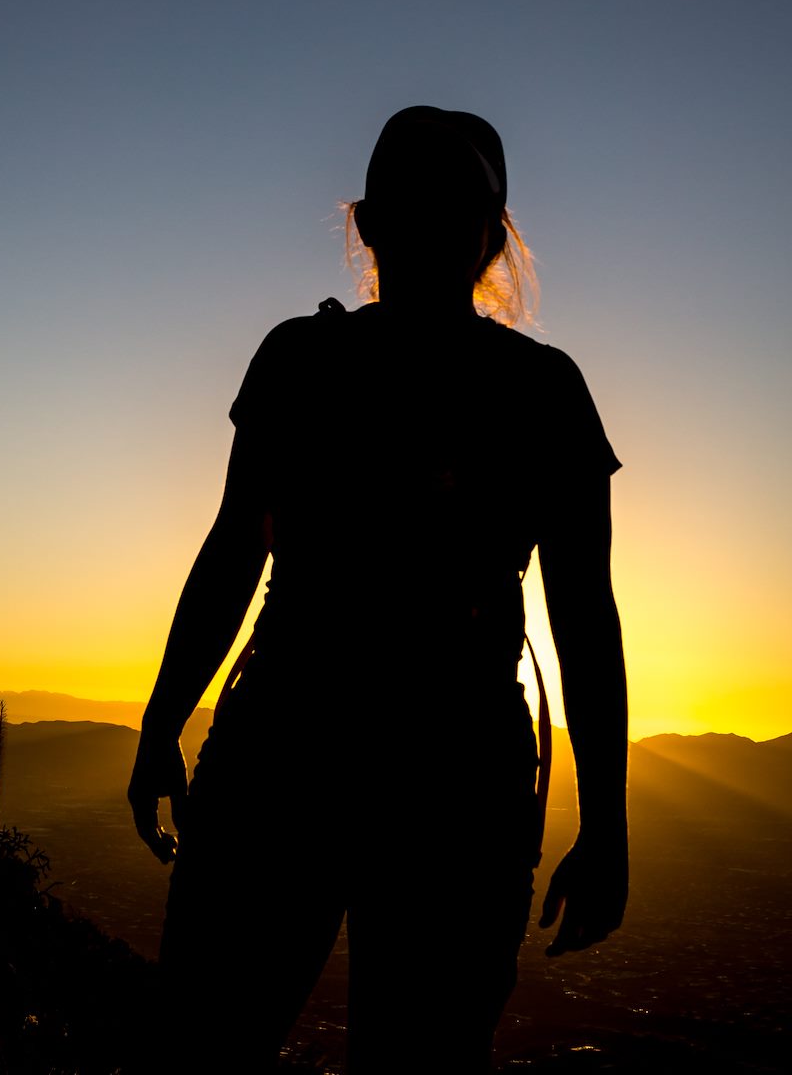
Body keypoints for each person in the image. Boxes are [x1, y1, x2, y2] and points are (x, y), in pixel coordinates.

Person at [127, 106, 628, 1073]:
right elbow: (584, 623)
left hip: (294, 743)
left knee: (207, 1041)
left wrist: (164, 725)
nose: (440, 230)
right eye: (424, 208)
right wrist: (603, 829)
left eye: (455, 210)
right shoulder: (537, 388)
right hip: (448, 775)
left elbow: (237, 554)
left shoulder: (306, 361)